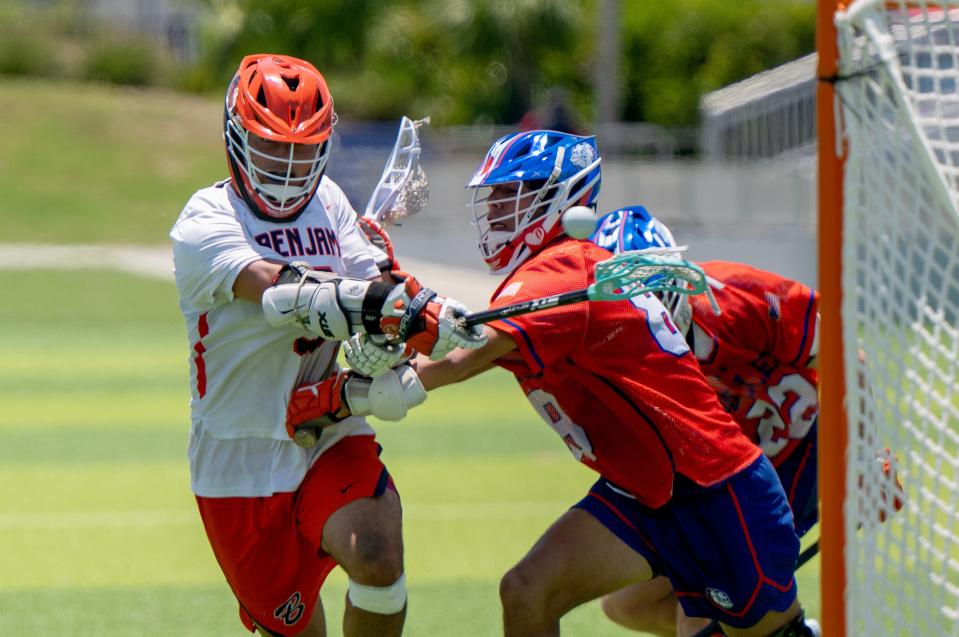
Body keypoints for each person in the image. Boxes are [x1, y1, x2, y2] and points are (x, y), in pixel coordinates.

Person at [304, 130, 822, 637]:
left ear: (559, 199)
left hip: (716, 492)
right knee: (529, 590)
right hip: (642, 492)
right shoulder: (553, 274)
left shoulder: (564, 267)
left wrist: (349, 391)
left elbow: (460, 354)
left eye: (511, 195)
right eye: (495, 197)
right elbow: (453, 349)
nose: (496, 210)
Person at [169, 53, 484, 637]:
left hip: (326, 426)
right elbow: (274, 290)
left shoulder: (330, 202)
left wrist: (420, 314)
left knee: (378, 554)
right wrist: (371, 304)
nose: (289, 164)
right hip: (238, 454)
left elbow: (379, 290)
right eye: (271, 146)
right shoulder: (206, 218)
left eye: (304, 148)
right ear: (235, 139)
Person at [591, 208, 821, 637]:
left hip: (801, 447)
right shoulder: (620, 351)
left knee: (699, 613)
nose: (640, 311)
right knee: (626, 605)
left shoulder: (737, 296)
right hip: (726, 472)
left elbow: (842, 352)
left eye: (647, 292)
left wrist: (866, 447)